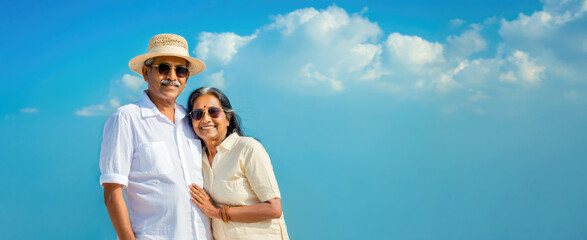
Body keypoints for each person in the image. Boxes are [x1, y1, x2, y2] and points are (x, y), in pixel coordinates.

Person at [99, 34, 212, 240]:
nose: (172, 76)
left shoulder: (192, 120)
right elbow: (111, 192)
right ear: (145, 72)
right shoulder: (126, 118)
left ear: (186, 79)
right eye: (163, 68)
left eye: (180, 70)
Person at [186, 87, 290, 240]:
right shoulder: (197, 159)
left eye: (213, 112)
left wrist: (217, 212)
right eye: (197, 114)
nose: (206, 119)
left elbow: (274, 209)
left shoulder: (247, 148)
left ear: (228, 118)